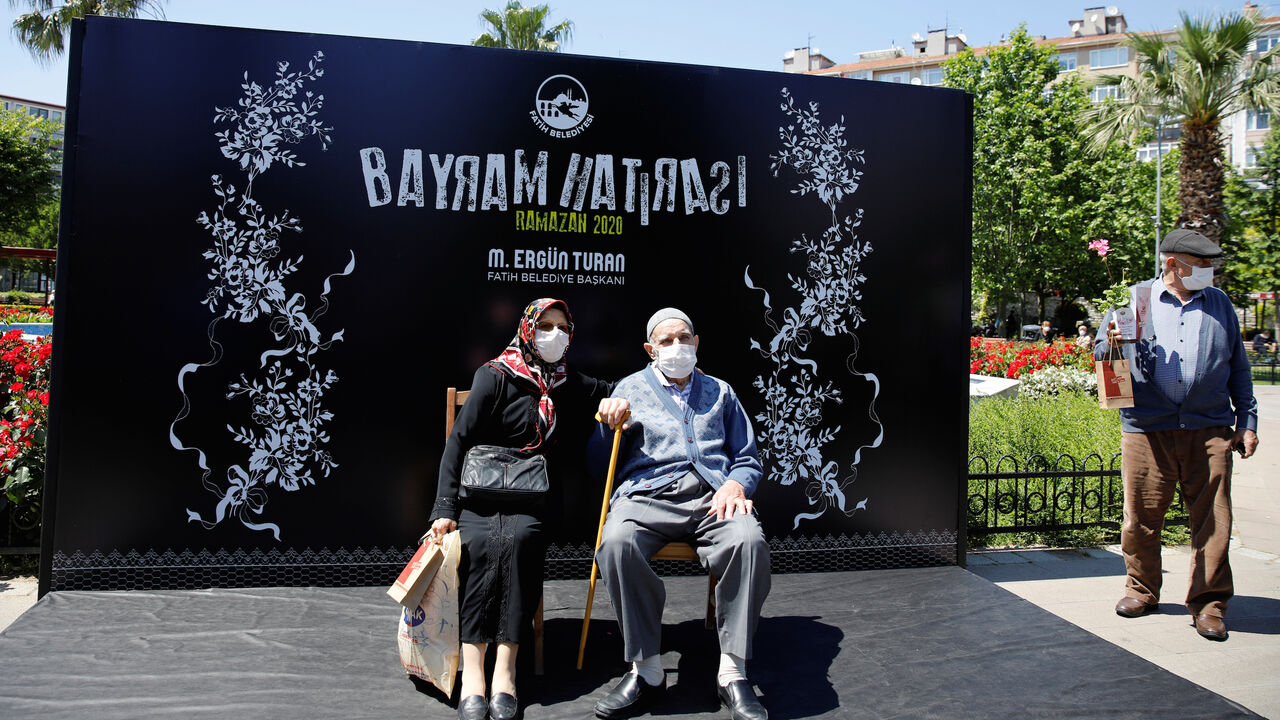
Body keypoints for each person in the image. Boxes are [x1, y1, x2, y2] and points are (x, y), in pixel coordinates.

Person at [428, 298, 623, 720]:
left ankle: (506, 670)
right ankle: (474, 675)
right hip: (478, 499)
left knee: (519, 542)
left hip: (533, 503)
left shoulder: (567, 383)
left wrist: (625, 401)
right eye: (546, 325)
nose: (555, 335)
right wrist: (444, 508)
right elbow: (458, 443)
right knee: (479, 545)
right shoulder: (495, 375)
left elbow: (617, 392)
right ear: (528, 328)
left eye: (562, 327)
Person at [591, 308, 770, 720]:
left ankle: (733, 672)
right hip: (648, 496)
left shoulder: (721, 391)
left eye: (684, 338)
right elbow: (600, 465)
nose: (676, 347)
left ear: (696, 343)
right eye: (666, 341)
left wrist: (735, 484)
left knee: (748, 540)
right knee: (616, 543)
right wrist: (605, 424)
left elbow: (747, 458)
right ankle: (647, 669)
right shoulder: (629, 388)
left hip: (713, 496)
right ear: (649, 349)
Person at [1095, 229, 1259, 642]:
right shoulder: (1134, 300)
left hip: (1209, 428)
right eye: (1202, 266)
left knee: (1214, 520)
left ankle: (1210, 604)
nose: (1210, 273)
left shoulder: (1220, 304)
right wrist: (1112, 341)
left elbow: (1238, 364)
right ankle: (1141, 590)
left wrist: (1247, 421)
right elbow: (1101, 354)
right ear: (1173, 264)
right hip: (1147, 429)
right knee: (1141, 519)